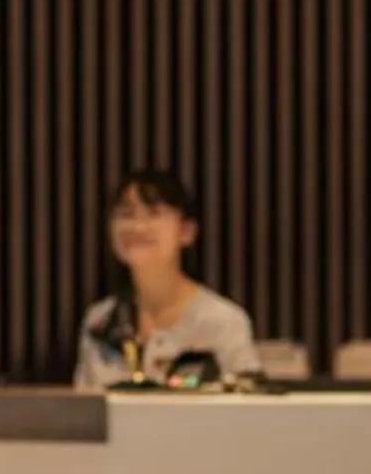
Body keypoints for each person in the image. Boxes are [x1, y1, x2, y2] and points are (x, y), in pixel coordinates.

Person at [73, 167, 260, 390]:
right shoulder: (100, 321)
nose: (137, 227)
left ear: (186, 231)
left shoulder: (222, 322)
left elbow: (247, 405)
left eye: (153, 214)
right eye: (126, 214)